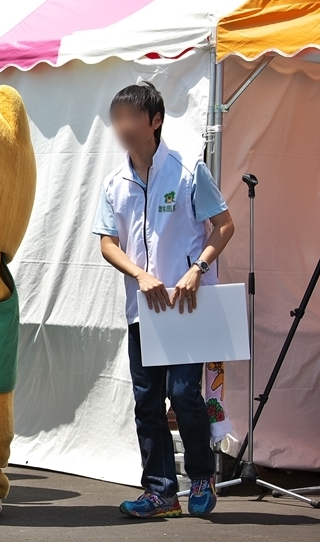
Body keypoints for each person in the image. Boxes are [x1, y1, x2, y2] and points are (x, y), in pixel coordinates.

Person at [92, 82, 234, 519]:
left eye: (131, 118)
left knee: (184, 394)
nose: (123, 127)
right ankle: (160, 492)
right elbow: (107, 242)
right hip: (143, 311)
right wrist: (139, 275)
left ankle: (202, 476)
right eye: (117, 119)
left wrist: (198, 270)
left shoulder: (188, 169)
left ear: (155, 121)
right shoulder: (115, 182)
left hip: (188, 306)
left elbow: (224, 226)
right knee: (146, 401)